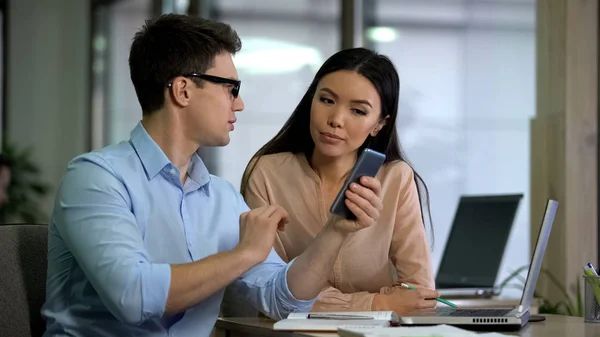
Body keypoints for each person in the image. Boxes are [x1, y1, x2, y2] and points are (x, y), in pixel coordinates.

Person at [41, 15, 382, 336]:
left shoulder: (221, 196)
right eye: (230, 88)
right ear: (183, 90)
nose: (239, 104)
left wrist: (336, 231)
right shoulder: (95, 178)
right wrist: (243, 254)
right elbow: (134, 297)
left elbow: (283, 300)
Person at [238, 47, 439, 314]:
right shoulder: (266, 173)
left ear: (379, 124)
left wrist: (334, 305)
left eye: (357, 111)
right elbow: (271, 293)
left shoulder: (396, 178)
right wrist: (379, 303)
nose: (335, 120)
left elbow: (419, 293)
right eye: (327, 100)